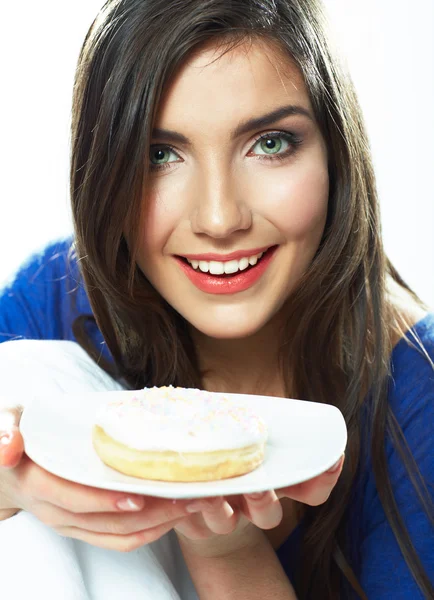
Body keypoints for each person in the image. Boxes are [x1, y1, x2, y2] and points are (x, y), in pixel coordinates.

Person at [0, 0, 433, 598]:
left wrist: (223, 544)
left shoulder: (418, 400)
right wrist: (8, 482)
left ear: (335, 151)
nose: (219, 217)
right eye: (160, 154)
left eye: (271, 143)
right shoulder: (56, 301)